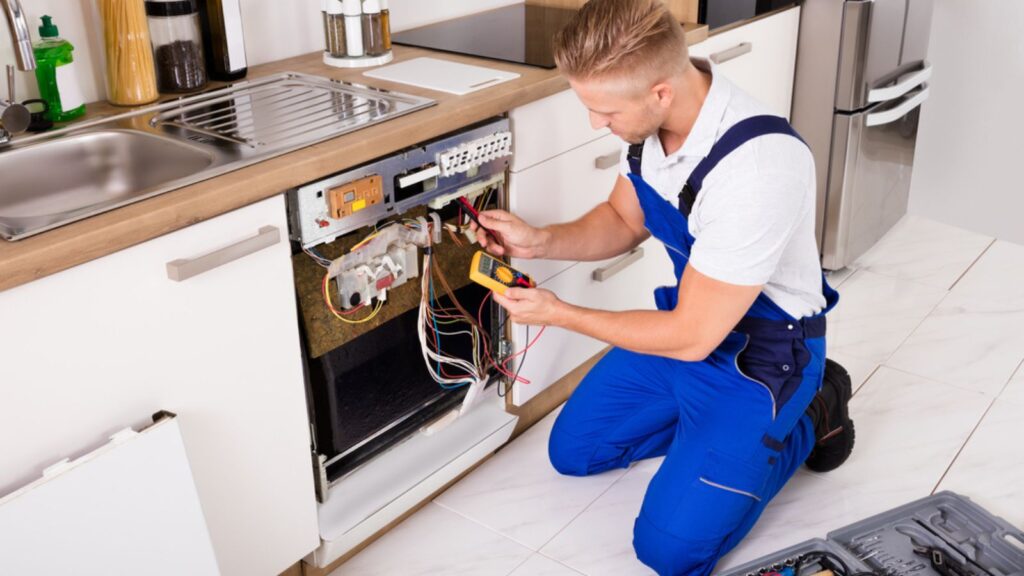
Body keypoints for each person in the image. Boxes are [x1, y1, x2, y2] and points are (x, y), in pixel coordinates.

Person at [472, 0, 856, 574]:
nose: (595, 125)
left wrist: (559, 312)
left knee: (670, 550)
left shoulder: (756, 169)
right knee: (575, 452)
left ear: (660, 93)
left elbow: (693, 336)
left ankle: (814, 406)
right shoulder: (653, 127)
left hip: (762, 358)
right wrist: (538, 240)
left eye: (604, 111)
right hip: (690, 328)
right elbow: (625, 220)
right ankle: (715, 447)